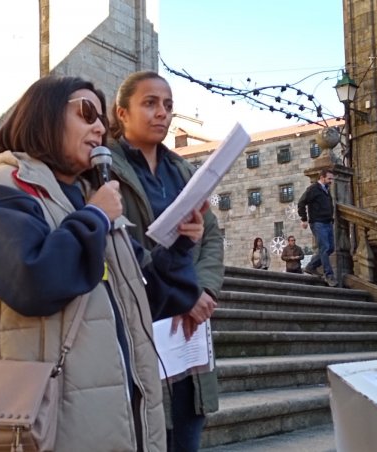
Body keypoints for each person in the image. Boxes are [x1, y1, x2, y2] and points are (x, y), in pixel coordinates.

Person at [0, 75, 206, 452]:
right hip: (43, 422)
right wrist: (95, 217)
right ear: (44, 115)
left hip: (112, 419)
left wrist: (181, 244)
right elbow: (34, 281)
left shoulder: (93, 200)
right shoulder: (1, 189)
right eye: (87, 113)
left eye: (102, 119)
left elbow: (144, 295)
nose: (100, 128)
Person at [109, 70, 224, 452]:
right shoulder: (105, 169)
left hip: (189, 327)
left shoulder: (183, 171)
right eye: (150, 103)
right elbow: (118, 244)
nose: (162, 113)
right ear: (122, 112)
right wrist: (184, 295)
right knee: (147, 428)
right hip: (142, 317)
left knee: (188, 425)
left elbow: (211, 236)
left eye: (168, 105)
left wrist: (204, 290)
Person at [297, 168, 337, 286]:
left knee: (330, 248)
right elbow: (301, 202)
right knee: (324, 247)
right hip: (318, 223)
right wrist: (304, 219)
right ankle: (329, 275)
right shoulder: (313, 189)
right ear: (322, 177)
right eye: (329, 179)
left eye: (332, 179)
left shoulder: (326, 190)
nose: (331, 181)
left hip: (327, 222)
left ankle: (311, 266)